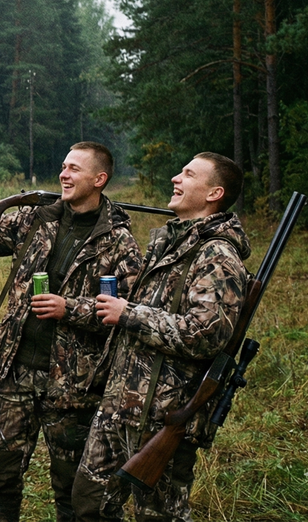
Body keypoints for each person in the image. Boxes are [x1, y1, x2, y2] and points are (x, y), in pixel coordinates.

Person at [0, 142, 143, 522]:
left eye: (75, 169)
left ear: (100, 179)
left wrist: (71, 309)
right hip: (15, 373)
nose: (64, 174)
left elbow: (127, 312)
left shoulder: (120, 242)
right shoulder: (38, 219)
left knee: (71, 489)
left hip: (73, 386)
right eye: (63, 166)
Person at [71, 152, 250, 522]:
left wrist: (129, 314)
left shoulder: (217, 255)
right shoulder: (169, 242)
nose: (175, 178)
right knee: (88, 503)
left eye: (188, 174)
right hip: (119, 406)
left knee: (158, 516)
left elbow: (205, 334)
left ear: (214, 192)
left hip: (162, 416)